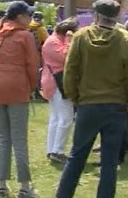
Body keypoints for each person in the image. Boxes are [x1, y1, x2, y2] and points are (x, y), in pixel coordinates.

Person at [56, 0, 128, 198]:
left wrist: (75, 96)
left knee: (76, 157)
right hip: (116, 106)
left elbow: (70, 71)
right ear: (117, 16)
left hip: (87, 105)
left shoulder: (80, 37)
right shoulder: (125, 40)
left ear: (95, 15)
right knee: (110, 163)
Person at [0, 1, 39, 198]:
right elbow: (32, 65)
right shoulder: (25, 35)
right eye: (28, 15)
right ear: (19, 17)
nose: (31, 19)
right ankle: (25, 187)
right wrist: (31, 87)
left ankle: (1, 184)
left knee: (4, 138)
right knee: (19, 140)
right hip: (16, 87)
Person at [41, 17, 78, 164]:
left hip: (54, 82)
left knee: (56, 118)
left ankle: (52, 149)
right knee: (66, 118)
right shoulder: (53, 42)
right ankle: (58, 151)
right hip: (57, 83)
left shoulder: (53, 40)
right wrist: (70, 40)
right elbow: (66, 57)